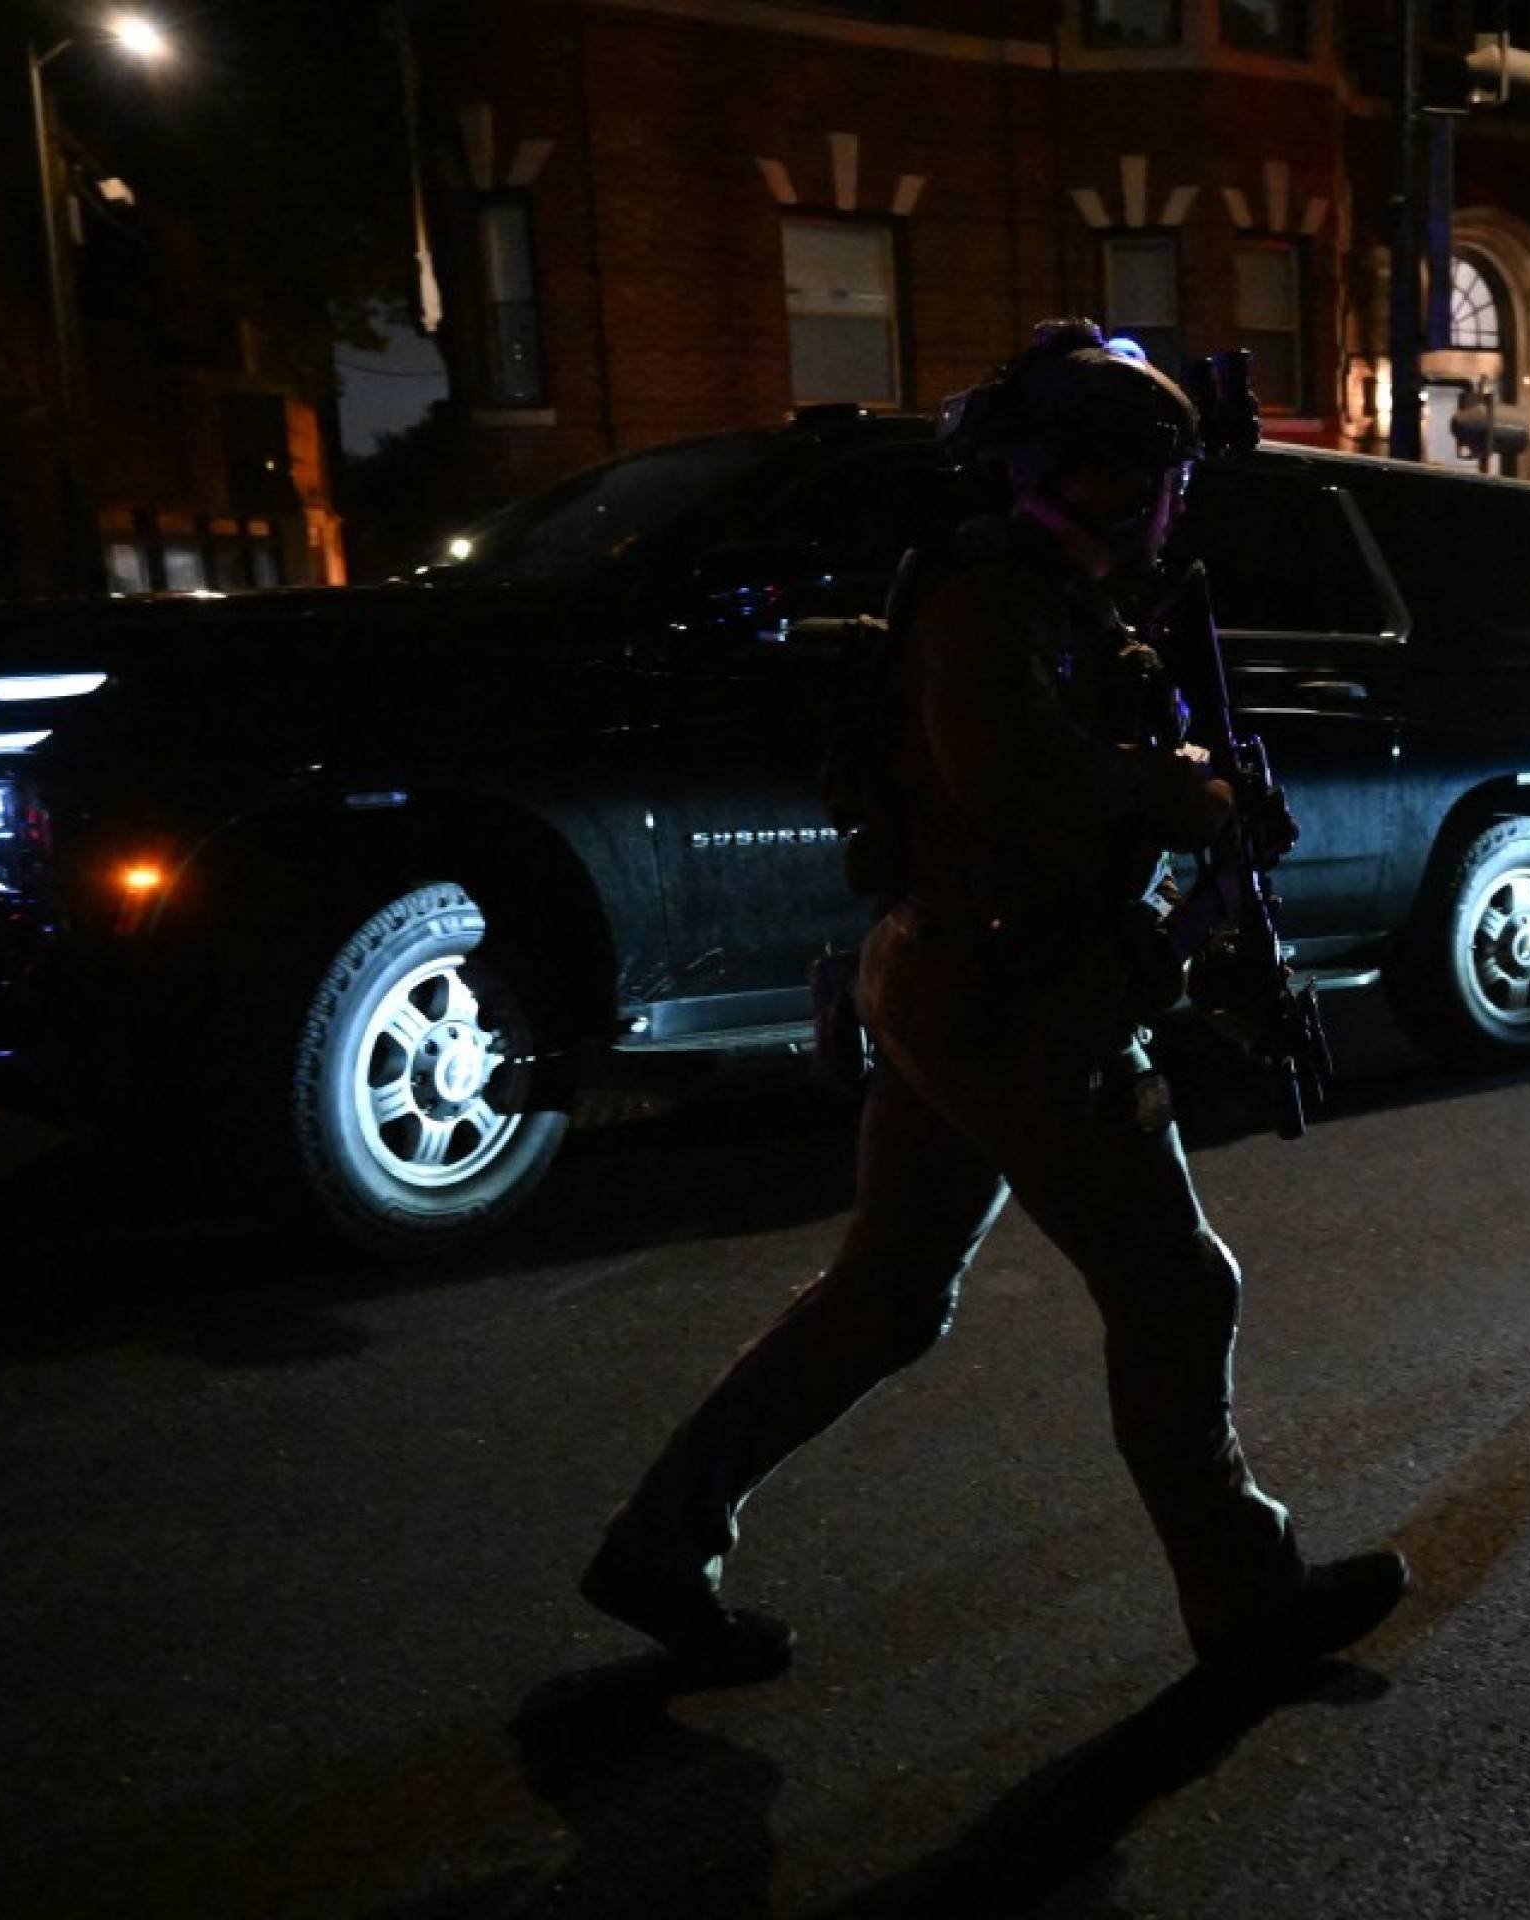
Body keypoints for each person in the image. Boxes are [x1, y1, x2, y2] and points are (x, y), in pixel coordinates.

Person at [580, 320, 1410, 1681]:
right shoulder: (993, 601)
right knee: (1176, 1287)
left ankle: (662, 1543)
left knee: (888, 1300)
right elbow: (1012, 781)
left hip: (974, 986)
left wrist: (1193, 797)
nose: (1162, 505)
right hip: (1013, 996)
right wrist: (1176, 792)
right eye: (1139, 475)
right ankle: (1244, 1597)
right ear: (1074, 474)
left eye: (1166, 479)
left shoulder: (1057, 598)